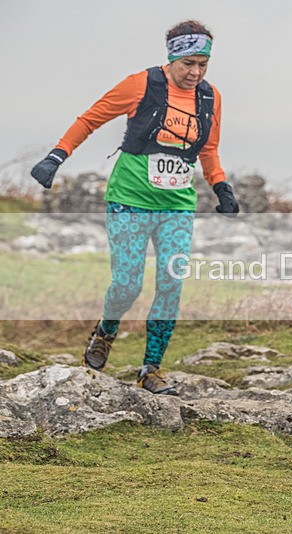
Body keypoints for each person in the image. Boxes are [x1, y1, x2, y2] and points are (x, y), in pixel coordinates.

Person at [30, 20, 239, 395]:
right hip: (130, 200)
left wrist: (221, 187)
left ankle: (151, 368)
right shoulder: (141, 85)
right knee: (127, 284)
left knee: (171, 283)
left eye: (203, 65)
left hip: (177, 205)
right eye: (188, 64)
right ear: (172, 57)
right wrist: (55, 157)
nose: (195, 73)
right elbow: (90, 119)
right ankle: (106, 330)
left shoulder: (210, 97)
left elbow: (208, 149)